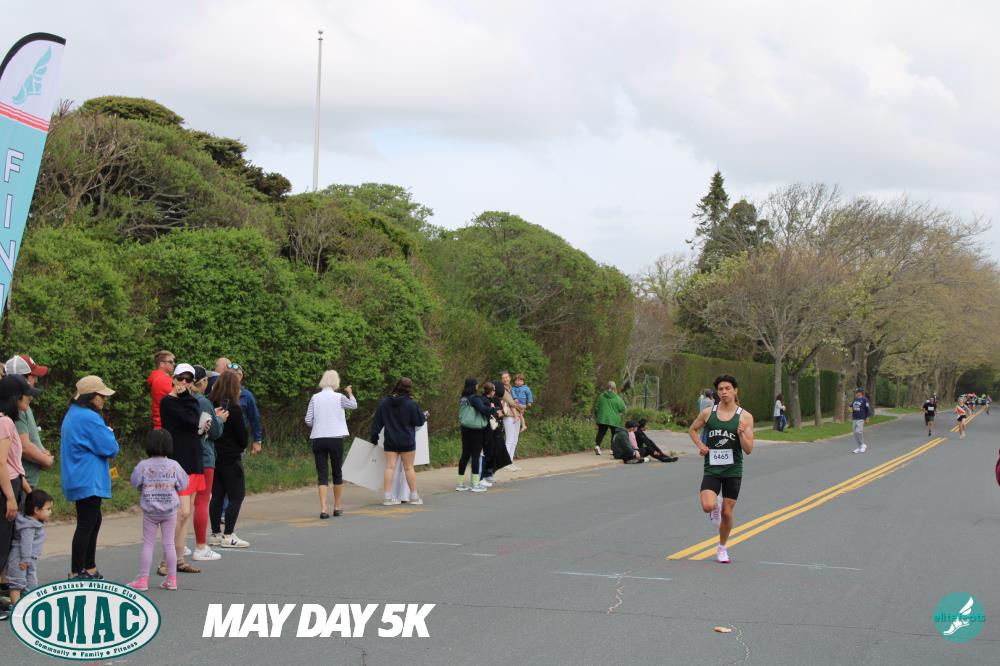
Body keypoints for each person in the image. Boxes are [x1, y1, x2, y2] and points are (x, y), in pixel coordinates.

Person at [688, 374, 754, 564]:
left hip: (733, 470)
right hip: (712, 468)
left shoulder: (745, 416)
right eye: (720, 389)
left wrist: (741, 434)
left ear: (735, 390)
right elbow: (692, 430)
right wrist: (701, 446)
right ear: (717, 392)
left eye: (727, 388)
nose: (724, 392)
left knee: (727, 512)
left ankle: (722, 547)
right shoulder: (708, 413)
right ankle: (714, 504)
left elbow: (748, 449)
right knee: (708, 506)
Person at [60, 375, 119, 580]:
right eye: (101, 395)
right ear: (91, 396)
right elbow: (110, 447)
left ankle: (89, 566)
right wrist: (109, 433)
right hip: (88, 477)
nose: (104, 399)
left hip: (77, 475)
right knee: (87, 523)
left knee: (93, 519)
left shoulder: (73, 413)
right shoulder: (89, 417)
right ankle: (77, 570)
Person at [158, 363, 207, 574]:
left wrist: (188, 399)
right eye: (181, 378)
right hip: (178, 460)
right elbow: (190, 420)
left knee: (187, 513)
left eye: (188, 380)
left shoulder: (190, 401)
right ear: (174, 378)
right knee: (181, 512)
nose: (184, 383)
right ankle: (165, 561)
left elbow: (194, 420)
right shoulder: (168, 402)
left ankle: (179, 559)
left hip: (193, 457)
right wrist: (187, 397)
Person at [128, 430, 188, 591]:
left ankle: (143, 580)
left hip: (150, 510)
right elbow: (184, 484)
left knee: (148, 544)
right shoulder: (174, 465)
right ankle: (172, 579)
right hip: (169, 510)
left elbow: (134, 481)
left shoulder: (143, 465)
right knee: (169, 544)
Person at [0, 374, 39, 579]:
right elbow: (1, 462)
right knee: (2, 545)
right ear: (14, 398)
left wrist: (26, 487)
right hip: (6, 486)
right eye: (26, 395)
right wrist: (10, 497)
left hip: (13, 481)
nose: (29, 398)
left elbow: (10, 462)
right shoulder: (5, 422)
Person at [305, 370, 357, 518]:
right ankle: (337, 506)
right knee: (337, 472)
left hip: (318, 438)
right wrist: (350, 393)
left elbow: (308, 420)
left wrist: (317, 425)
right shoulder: (339, 397)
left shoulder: (315, 398)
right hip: (336, 438)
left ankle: (323, 509)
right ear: (336, 381)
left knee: (322, 474)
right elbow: (353, 405)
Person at [209, 370, 251, 547]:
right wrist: (243, 444)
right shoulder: (234, 408)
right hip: (231, 455)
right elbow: (242, 436)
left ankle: (215, 533)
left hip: (214, 454)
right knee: (236, 495)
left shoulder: (211, 405)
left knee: (217, 495)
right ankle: (228, 534)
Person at [371, 378, 426, 506]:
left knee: (390, 467)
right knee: (409, 468)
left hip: (390, 440)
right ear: (409, 388)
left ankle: (387, 497)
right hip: (407, 440)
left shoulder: (384, 402)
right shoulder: (411, 404)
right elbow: (419, 421)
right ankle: (414, 496)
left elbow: (377, 422)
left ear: (396, 386)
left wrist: (374, 436)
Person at [190, 365, 226, 562]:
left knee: (182, 502)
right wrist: (219, 419)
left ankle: (179, 545)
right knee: (202, 500)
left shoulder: (175, 399)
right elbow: (213, 432)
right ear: (203, 382)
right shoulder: (202, 402)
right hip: (203, 455)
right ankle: (200, 546)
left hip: (181, 455)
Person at [4, 355, 54, 489]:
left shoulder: (24, 406)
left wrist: (42, 451)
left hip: (24, 481)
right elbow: (24, 447)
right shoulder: (17, 409)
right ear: (23, 379)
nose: (36, 380)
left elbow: (30, 439)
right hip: (21, 482)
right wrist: (47, 460)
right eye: (33, 376)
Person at [3, 489, 52, 609]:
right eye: (48, 509)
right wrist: (25, 559)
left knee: (31, 583)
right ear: (36, 510)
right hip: (20, 558)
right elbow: (26, 544)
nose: (50, 512)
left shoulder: (34, 523)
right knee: (17, 583)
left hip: (30, 559)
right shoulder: (28, 526)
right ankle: (16, 607)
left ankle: (28, 604)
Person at [457, 378, 498, 492]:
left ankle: (460, 484)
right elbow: (482, 409)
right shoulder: (474, 398)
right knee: (475, 455)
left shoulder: (463, 398)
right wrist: (494, 410)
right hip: (476, 429)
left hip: (465, 427)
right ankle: (475, 484)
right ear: (474, 386)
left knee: (465, 455)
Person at [498, 371, 524, 470]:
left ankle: (510, 461)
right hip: (508, 415)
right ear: (501, 380)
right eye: (503, 378)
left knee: (515, 439)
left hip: (516, 415)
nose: (505, 379)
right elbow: (511, 402)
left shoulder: (512, 388)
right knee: (509, 439)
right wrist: (521, 406)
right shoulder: (502, 389)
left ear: (509, 377)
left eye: (506, 377)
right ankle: (505, 463)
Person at [594, 381, 626, 455]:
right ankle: (612, 449)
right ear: (615, 388)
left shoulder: (601, 396)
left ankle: (597, 446)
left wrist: (597, 415)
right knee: (614, 434)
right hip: (614, 419)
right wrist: (620, 413)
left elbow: (596, 407)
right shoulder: (618, 398)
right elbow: (622, 408)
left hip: (602, 418)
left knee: (601, 432)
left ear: (607, 387)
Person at [147, 350, 175, 429]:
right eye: (171, 362)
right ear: (162, 364)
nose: (174, 364)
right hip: (165, 426)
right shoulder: (162, 379)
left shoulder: (157, 377)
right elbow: (179, 398)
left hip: (160, 424)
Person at [850, 388, 873, 453]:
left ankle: (863, 445)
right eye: (855, 392)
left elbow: (867, 408)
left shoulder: (864, 399)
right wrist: (850, 409)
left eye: (857, 392)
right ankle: (859, 447)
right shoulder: (855, 400)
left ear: (860, 393)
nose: (855, 393)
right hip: (854, 418)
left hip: (861, 418)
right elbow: (851, 407)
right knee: (855, 433)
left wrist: (867, 417)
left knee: (858, 431)